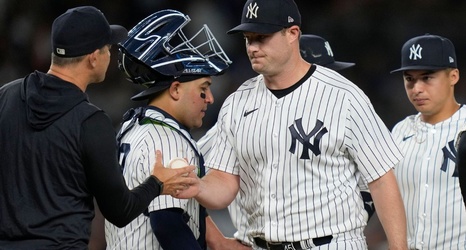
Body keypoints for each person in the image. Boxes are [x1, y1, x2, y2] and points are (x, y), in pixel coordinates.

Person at [178, 0, 409, 249]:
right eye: (248, 38)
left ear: (292, 34)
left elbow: (381, 180)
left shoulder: (343, 96)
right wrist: (198, 187)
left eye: (261, 37)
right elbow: (224, 183)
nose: (253, 47)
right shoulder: (237, 102)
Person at [0, 6, 195, 249]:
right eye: (108, 48)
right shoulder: (90, 122)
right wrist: (157, 184)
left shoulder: (6, 96)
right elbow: (120, 211)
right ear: (94, 57)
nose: (110, 54)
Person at [198, 33, 376, 248]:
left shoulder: (341, 111)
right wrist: (215, 238)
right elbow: (185, 171)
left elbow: (374, 184)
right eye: (323, 72)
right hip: (253, 243)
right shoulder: (244, 116)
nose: (329, 82)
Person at [103, 9, 236, 250]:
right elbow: (167, 223)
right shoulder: (166, 138)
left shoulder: (134, 125)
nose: (210, 98)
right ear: (175, 90)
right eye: (203, 88)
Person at [389, 33, 466, 249]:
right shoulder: (399, 131)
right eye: (409, 79)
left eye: (427, 77)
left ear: (453, 76)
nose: (417, 89)